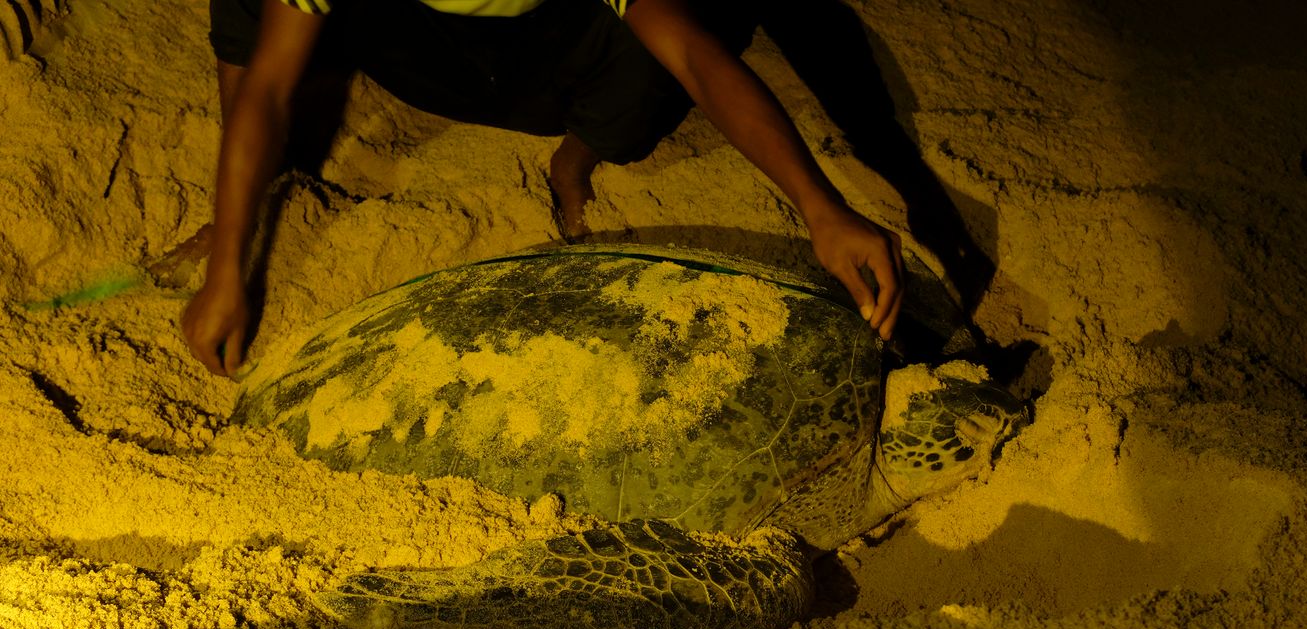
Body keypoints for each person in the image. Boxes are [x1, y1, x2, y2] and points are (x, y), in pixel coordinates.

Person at [180, 0, 906, 377]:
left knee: (665, 55)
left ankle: (577, 157)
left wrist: (821, 206)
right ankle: (255, 194)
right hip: (412, 49)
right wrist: (226, 272)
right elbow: (267, 87)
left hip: (542, 65)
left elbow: (694, 55)